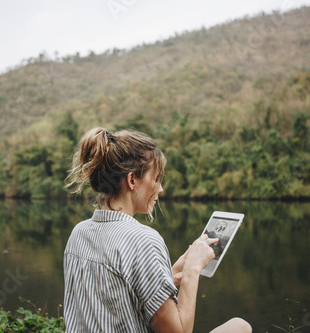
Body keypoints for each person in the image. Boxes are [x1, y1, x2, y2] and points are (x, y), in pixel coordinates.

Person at [63, 127, 252, 333]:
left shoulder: (78, 233)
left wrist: (167, 277)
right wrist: (192, 271)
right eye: (156, 179)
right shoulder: (144, 240)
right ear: (132, 180)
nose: (160, 189)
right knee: (240, 326)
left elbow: (113, 298)